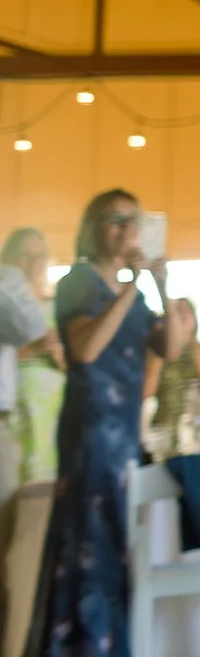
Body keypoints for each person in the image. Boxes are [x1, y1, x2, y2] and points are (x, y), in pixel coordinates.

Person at [26, 190, 197, 657]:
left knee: (114, 543)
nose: (125, 229)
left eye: (132, 220)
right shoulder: (79, 282)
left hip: (124, 432)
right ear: (92, 228)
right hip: (91, 430)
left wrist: (160, 285)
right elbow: (85, 350)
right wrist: (129, 288)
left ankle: (108, 643)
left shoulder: (135, 291)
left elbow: (173, 348)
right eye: (113, 220)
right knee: (88, 539)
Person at [0, 228, 58, 634]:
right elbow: (39, 337)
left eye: (40, 256)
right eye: (25, 256)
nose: (32, 265)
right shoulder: (8, 284)